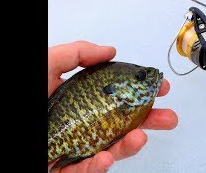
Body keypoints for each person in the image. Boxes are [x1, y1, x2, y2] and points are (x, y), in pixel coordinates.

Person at [48, 41, 178, 173]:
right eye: (140, 77)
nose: (151, 76)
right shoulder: (130, 106)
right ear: (118, 87)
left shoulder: (132, 106)